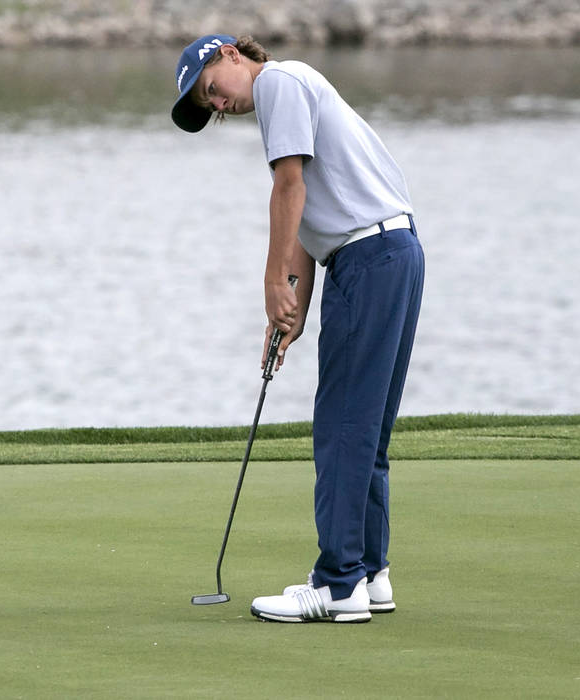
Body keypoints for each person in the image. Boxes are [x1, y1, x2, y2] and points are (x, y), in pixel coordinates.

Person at [171, 35, 424, 623]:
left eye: (211, 89)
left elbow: (289, 188)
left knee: (342, 425)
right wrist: (291, 312)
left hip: (369, 260)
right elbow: (309, 221)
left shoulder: (277, 83)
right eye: (209, 107)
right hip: (390, 252)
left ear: (232, 54)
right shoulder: (291, 90)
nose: (218, 105)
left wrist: (269, 282)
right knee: (364, 426)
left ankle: (337, 584)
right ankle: (368, 572)